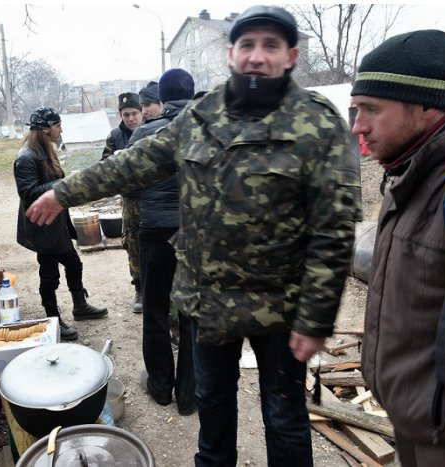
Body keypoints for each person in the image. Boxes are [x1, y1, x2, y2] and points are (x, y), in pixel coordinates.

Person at [25, 6, 362, 466]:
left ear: (291, 56)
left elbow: (335, 229)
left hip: (282, 307)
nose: (257, 56)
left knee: (285, 420)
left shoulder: (319, 122)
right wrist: (64, 192)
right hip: (209, 302)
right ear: (231, 53)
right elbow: (134, 162)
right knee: (213, 413)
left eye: (271, 45)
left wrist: (316, 317)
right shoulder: (203, 116)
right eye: (247, 45)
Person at [351, 30, 445, 467]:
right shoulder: (410, 164)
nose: (358, 126)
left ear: (428, 104)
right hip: (417, 420)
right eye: (356, 109)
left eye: (372, 109)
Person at [129, 68, 196, 415]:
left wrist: (153, 199)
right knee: (190, 314)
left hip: (155, 231)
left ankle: (159, 387)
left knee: (154, 309)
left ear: (162, 99)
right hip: (193, 233)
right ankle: (189, 395)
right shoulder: (206, 130)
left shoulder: (143, 133)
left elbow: (129, 185)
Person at [14, 107, 108, 342]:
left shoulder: (46, 151)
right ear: (46, 130)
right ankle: (53, 319)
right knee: (49, 276)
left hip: (56, 224)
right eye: (58, 125)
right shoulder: (26, 157)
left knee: (74, 264)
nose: (61, 129)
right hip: (42, 226)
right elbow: (28, 193)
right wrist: (63, 183)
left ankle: (80, 307)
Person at [102, 92, 144, 312]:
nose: (130, 118)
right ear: (120, 114)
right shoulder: (115, 136)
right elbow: (105, 166)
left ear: (142, 112)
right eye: (126, 114)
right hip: (130, 200)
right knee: (132, 243)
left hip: (151, 199)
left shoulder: (151, 131)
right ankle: (139, 288)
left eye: (134, 113)